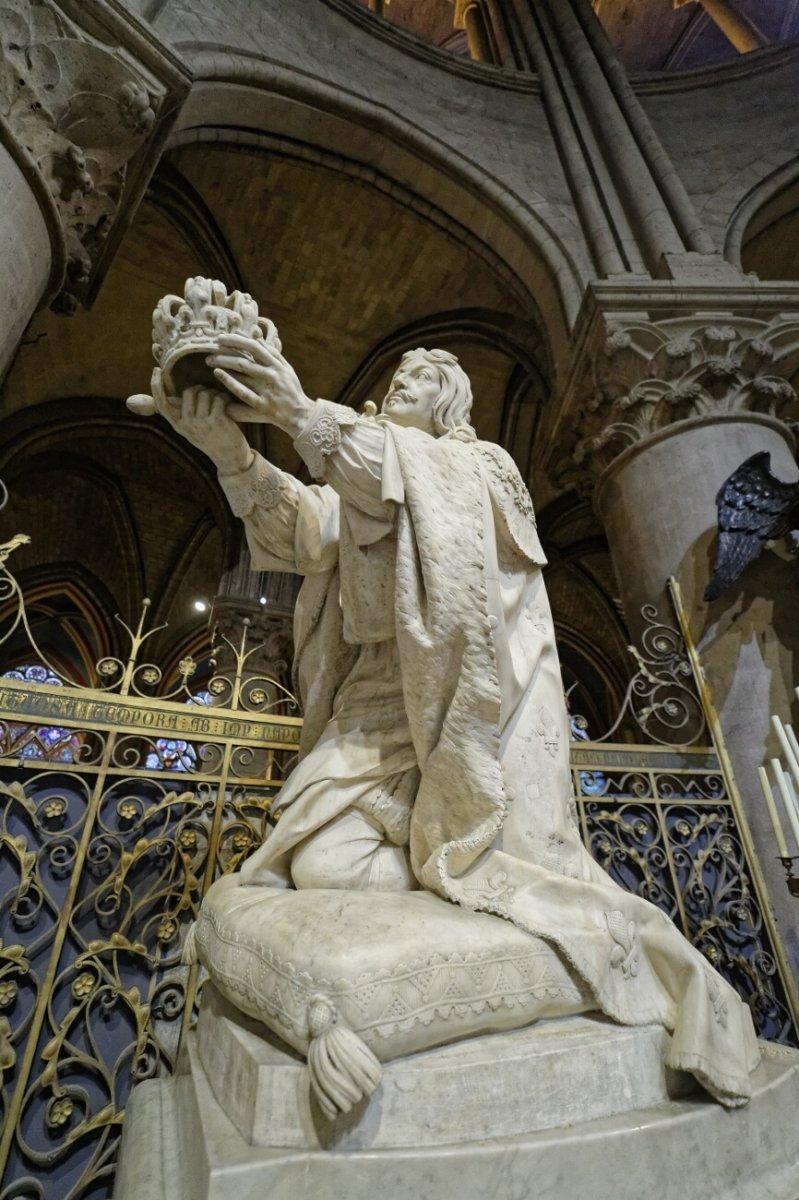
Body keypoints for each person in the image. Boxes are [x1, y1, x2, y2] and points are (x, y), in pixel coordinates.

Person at [131, 331, 758, 1106]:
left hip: (463, 705)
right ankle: (431, 867)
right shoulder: (371, 465)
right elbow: (302, 528)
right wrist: (228, 449)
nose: (404, 381)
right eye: (399, 373)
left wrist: (296, 411)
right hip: (371, 708)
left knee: (378, 870)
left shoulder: (475, 466)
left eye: (422, 376)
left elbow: (402, 483)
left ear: (450, 403)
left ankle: (452, 880)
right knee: (322, 866)